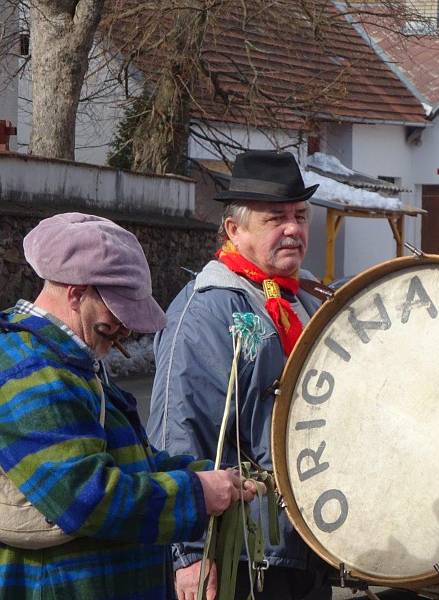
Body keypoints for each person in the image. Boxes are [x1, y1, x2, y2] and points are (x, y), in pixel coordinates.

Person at [0, 213, 255, 600]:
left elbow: (133, 464)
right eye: (117, 312)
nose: (126, 328)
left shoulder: (72, 361)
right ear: (75, 292)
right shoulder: (30, 368)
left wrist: (211, 474)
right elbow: (85, 497)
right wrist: (194, 494)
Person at [148, 150, 330, 600]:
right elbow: (177, 434)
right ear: (235, 229)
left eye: (300, 215)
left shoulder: (304, 299)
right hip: (244, 551)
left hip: (306, 542)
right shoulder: (206, 310)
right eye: (275, 219)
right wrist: (189, 555)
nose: (293, 229)